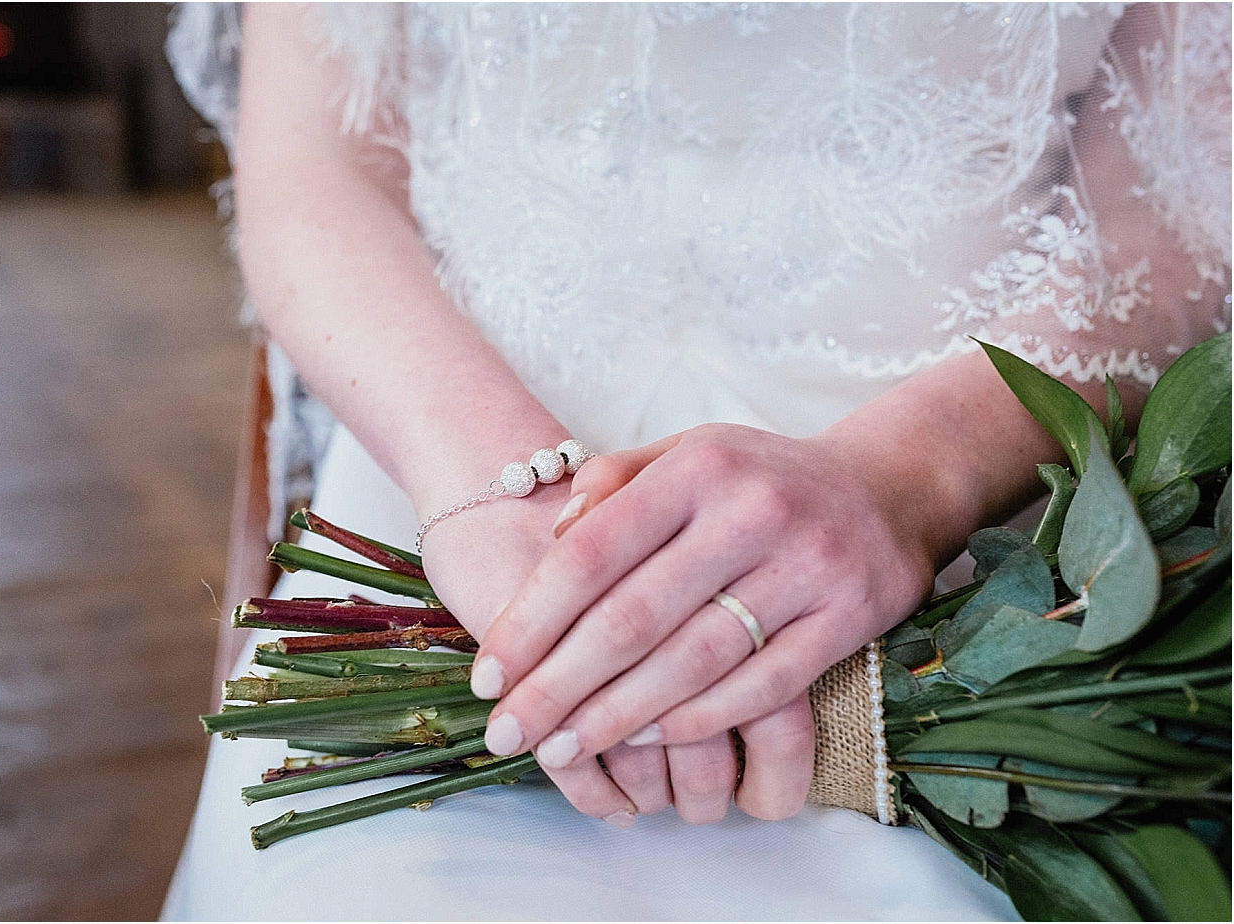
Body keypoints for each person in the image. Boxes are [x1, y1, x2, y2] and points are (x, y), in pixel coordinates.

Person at [162, 3, 1229, 919]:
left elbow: (1165, 209)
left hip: (970, 528)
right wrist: (494, 496)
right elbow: (319, 159)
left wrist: (907, 483)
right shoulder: (478, 488)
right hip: (454, 456)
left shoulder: (923, 499)